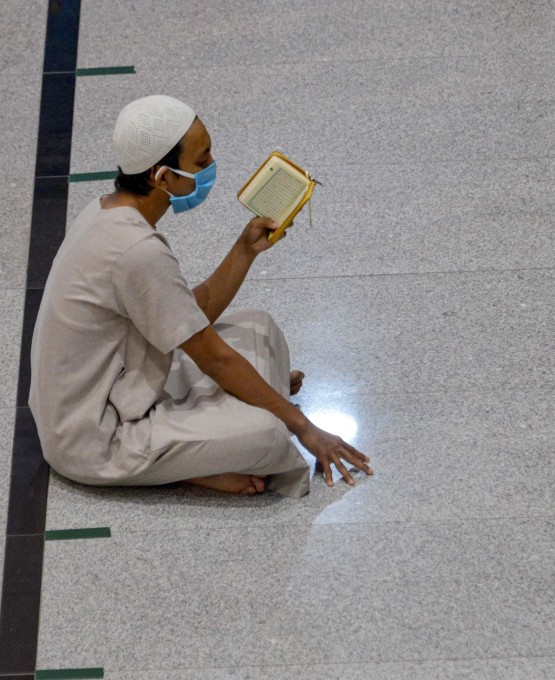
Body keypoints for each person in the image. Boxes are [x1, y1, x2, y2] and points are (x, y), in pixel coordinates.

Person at [29, 94, 372, 496]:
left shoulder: (106, 211)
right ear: (162, 178)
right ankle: (183, 467)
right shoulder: (136, 251)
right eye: (201, 160)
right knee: (268, 433)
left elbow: (192, 312)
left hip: (119, 386)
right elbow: (213, 356)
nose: (211, 168)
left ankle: (238, 418)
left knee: (257, 326)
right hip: (96, 438)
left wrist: (245, 249)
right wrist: (306, 428)